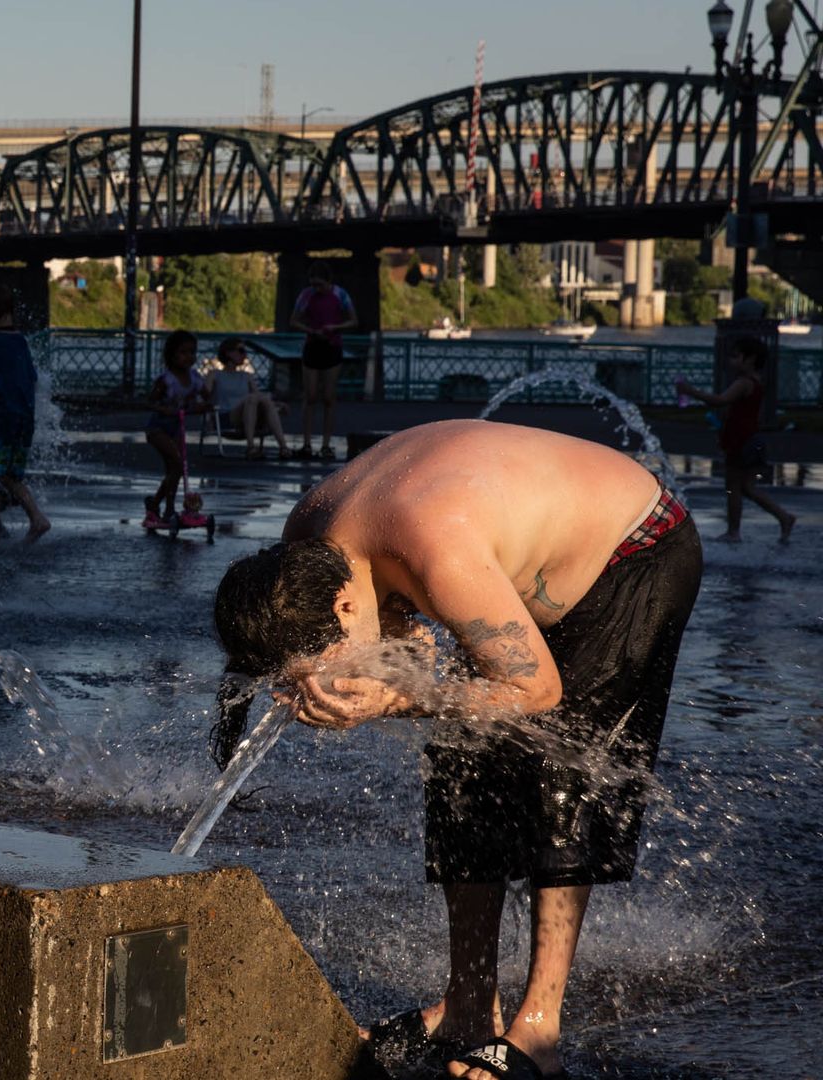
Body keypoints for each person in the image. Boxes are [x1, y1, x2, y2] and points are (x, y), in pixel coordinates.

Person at [212, 420, 702, 1080]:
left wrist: (393, 698)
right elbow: (404, 627)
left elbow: (534, 689)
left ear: (345, 602)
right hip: (499, 559)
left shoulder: (435, 552)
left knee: (564, 777)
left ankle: (539, 1030)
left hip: (633, 551)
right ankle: (469, 1006)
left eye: (322, 669)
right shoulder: (306, 544)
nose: (321, 687)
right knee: (460, 766)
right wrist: (395, 653)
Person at [676, 335, 795, 543]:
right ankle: (784, 517)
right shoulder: (756, 382)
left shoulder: (743, 383)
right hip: (750, 439)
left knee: (733, 487)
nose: (731, 361)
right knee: (747, 487)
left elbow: (720, 401)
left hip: (742, 441)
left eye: (735, 356)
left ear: (750, 359)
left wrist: (690, 391)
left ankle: (733, 531)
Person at [0, 283, 51, 543]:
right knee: (10, 474)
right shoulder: (21, 341)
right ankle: (37, 518)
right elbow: (33, 378)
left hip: (0, 418)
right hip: (24, 419)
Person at [288, 260, 357, 460]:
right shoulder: (306, 295)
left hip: (332, 346)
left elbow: (354, 320)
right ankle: (307, 443)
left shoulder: (340, 295)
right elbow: (294, 320)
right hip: (312, 345)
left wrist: (335, 327)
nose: (317, 289)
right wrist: (310, 330)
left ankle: (326, 444)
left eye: (320, 285)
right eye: (314, 285)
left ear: (329, 282)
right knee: (309, 396)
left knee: (328, 397)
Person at [142, 330, 207, 528]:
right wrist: (166, 409)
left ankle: (159, 505)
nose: (189, 357)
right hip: (158, 429)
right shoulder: (166, 380)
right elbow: (150, 402)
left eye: (192, 352)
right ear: (172, 355)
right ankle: (162, 507)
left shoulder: (195, 378)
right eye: (183, 352)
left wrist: (198, 407)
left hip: (177, 428)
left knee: (174, 470)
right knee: (177, 464)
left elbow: (208, 398)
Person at [209, 337, 291, 460]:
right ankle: (251, 446)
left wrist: (277, 404)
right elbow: (204, 395)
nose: (245, 355)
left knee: (259, 400)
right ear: (228, 352)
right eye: (241, 350)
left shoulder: (246, 376)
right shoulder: (215, 375)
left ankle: (283, 447)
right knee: (252, 398)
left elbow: (260, 398)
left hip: (248, 416)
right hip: (225, 417)